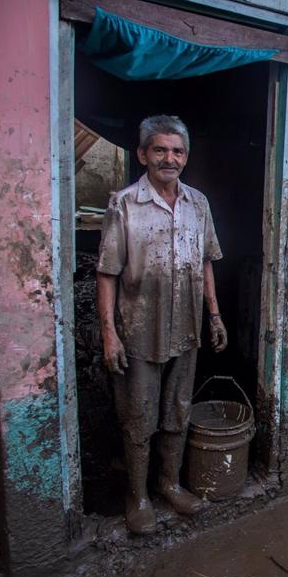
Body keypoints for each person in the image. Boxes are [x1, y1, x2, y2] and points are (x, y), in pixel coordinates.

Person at [97, 115, 228, 534]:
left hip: (186, 326)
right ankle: (136, 497)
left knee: (177, 410)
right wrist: (109, 333)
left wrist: (214, 314)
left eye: (177, 151)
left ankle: (169, 484)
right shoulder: (124, 203)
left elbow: (206, 260)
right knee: (139, 417)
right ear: (142, 154)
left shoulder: (198, 203)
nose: (169, 158)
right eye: (160, 150)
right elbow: (107, 272)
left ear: (185, 157)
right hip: (138, 328)